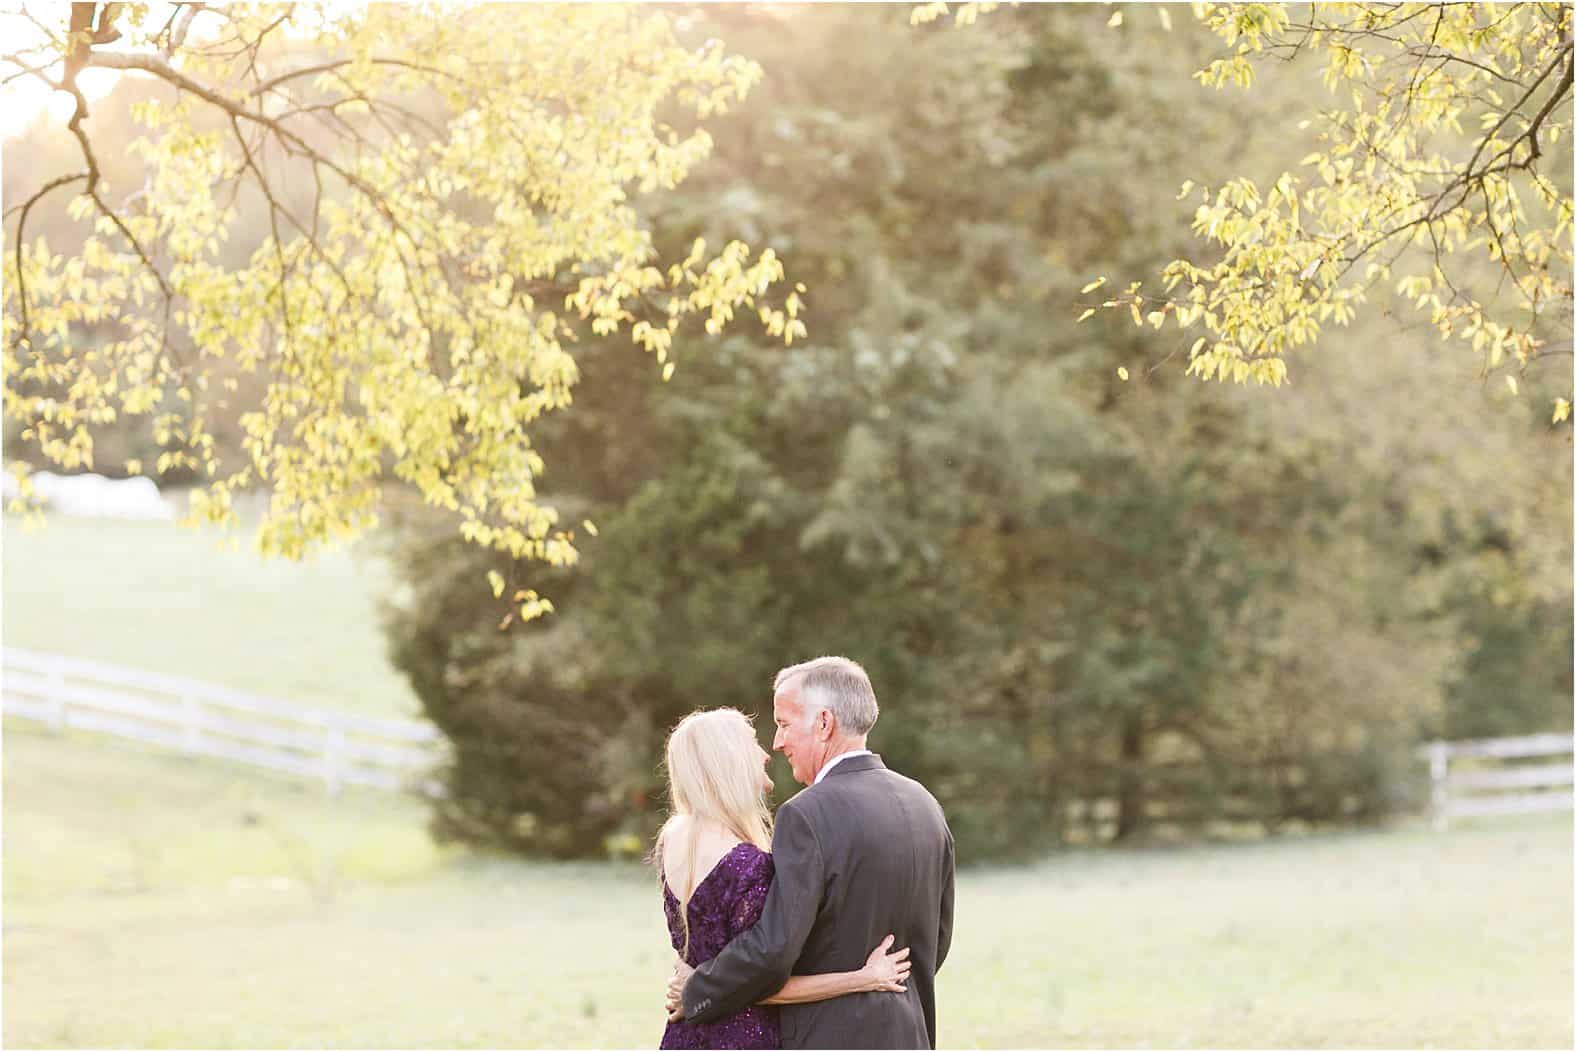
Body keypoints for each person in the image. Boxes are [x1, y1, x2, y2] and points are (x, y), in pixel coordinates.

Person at [668, 657, 955, 1049]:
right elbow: (936, 941)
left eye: (784, 724)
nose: (777, 741)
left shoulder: (807, 814)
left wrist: (697, 987)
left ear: (823, 724)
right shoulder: (925, 805)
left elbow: (773, 952)